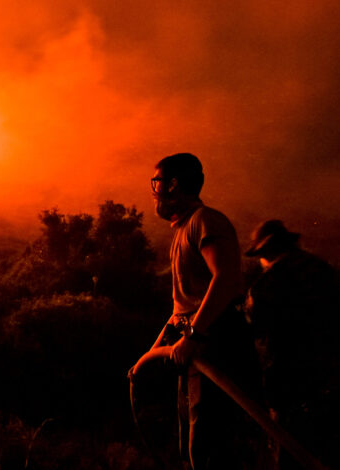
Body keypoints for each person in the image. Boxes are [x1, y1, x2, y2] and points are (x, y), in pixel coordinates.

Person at [134, 153, 258, 469]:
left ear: (173, 185)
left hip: (215, 344)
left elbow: (226, 278)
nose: (154, 190)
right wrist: (154, 350)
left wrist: (194, 335)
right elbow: (185, 304)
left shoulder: (206, 221)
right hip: (196, 346)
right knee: (193, 443)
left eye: (157, 182)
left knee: (209, 447)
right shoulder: (184, 229)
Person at [244, 220, 340, 470]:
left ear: (265, 253)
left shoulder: (267, 285)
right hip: (331, 381)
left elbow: (253, 331)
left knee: (287, 454)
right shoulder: (323, 270)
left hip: (288, 386)